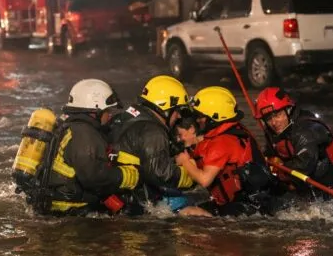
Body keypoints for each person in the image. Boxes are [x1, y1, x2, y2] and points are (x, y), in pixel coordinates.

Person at [36, 79, 141, 216]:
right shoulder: (84, 134)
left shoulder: (69, 126)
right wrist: (128, 175)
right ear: (95, 110)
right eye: (107, 110)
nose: (110, 115)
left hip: (57, 206)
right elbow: (95, 178)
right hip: (71, 215)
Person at [173, 86, 279, 217]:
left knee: (186, 212)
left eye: (201, 116)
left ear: (215, 117)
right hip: (250, 202)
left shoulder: (222, 142)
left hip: (246, 208)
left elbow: (204, 179)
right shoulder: (232, 131)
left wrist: (185, 161)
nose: (198, 120)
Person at [108, 75, 198, 214]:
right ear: (165, 107)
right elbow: (159, 173)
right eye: (178, 110)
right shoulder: (153, 131)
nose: (179, 116)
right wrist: (191, 174)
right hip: (135, 204)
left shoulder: (124, 117)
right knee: (199, 213)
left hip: (116, 195)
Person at [254, 86, 333, 202]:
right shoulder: (274, 132)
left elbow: (303, 166)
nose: (274, 122)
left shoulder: (306, 132)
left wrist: (277, 169)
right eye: (268, 118)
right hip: (312, 190)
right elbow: (269, 155)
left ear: (288, 110)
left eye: (277, 115)